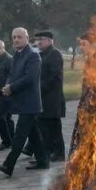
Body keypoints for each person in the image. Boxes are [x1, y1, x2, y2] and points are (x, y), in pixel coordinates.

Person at [0, 28, 47, 177]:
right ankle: (43, 160)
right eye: (14, 37)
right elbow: (13, 74)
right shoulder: (17, 55)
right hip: (21, 100)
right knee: (34, 133)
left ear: (26, 38)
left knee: (20, 134)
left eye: (19, 37)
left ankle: (8, 165)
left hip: (30, 102)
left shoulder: (33, 56)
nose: (16, 39)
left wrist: (12, 87)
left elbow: (30, 78)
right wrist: (7, 86)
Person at [34, 31, 66, 162]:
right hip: (44, 98)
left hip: (52, 99)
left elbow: (55, 77)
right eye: (38, 40)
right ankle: (48, 152)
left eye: (41, 39)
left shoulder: (54, 54)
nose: (38, 42)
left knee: (54, 128)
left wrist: (40, 88)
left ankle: (58, 153)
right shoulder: (42, 55)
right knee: (45, 127)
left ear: (50, 41)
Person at [0, 39, 15, 151]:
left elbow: (12, 76)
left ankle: (6, 141)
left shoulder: (9, 59)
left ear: (3, 48)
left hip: (5, 93)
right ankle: (12, 140)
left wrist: (6, 88)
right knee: (7, 118)